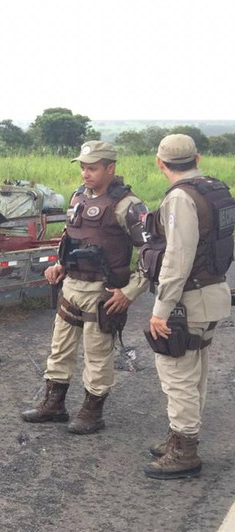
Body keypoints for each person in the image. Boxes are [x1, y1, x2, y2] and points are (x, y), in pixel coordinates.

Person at [21, 141, 149, 433]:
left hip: (103, 291)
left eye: (92, 168)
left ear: (110, 168)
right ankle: (54, 405)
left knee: (98, 352)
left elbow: (152, 251)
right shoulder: (78, 197)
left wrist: (130, 292)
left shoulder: (128, 205)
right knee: (60, 347)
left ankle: (93, 412)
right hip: (72, 286)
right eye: (82, 167)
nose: (85, 173)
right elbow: (71, 238)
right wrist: (59, 265)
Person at [140, 134, 234, 479]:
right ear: (199, 158)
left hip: (189, 299)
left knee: (177, 372)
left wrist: (160, 309)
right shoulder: (214, 190)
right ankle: (179, 437)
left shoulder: (181, 198)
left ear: (159, 163)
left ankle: (184, 451)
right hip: (213, 293)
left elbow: (178, 257)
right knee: (195, 368)